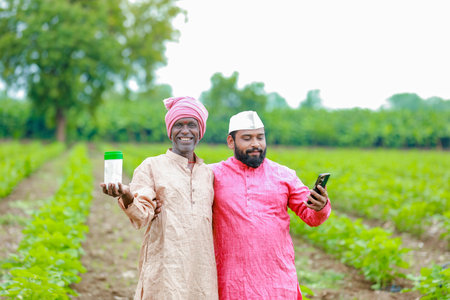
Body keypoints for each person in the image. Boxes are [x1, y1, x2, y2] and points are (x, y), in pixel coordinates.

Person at [101, 96, 218, 300]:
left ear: (200, 131)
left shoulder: (208, 174)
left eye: (192, 125)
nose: (185, 131)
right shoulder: (152, 166)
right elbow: (142, 214)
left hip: (201, 267)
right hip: (166, 265)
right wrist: (127, 195)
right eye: (178, 125)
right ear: (170, 130)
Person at [210, 110, 331, 300]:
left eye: (260, 137)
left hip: (277, 280)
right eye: (247, 138)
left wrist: (319, 206)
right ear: (231, 142)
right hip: (231, 281)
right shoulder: (212, 175)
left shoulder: (284, 175)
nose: (255, 144)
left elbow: (311, 216)